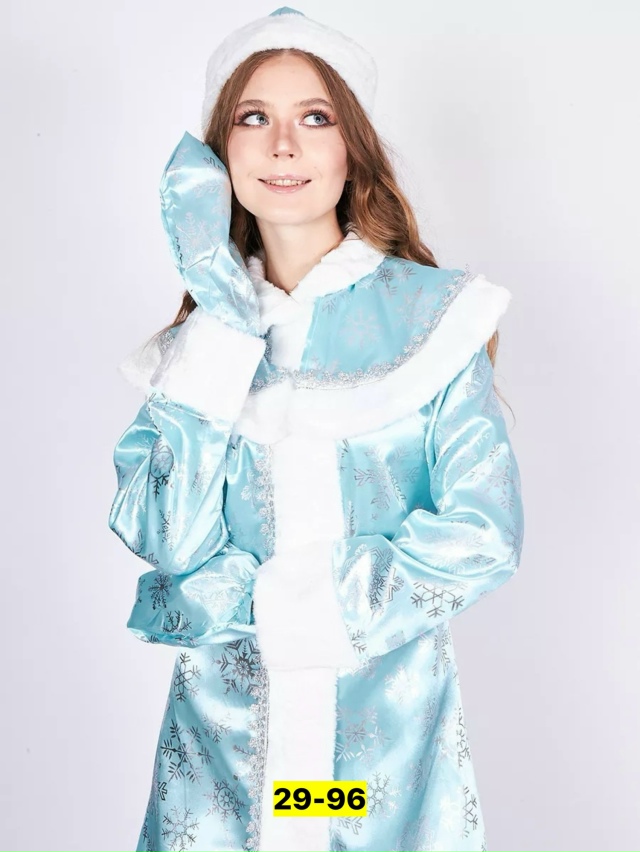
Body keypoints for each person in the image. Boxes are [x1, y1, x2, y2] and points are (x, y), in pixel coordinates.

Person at [108, 7, 525, 852]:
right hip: (219, 757)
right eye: (253, 118)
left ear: (351, 148)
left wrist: (290, 607)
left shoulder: (433, 320)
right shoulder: (197, 351)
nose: (282, 146)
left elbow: (484, 535)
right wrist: (223, 324)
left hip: (375, 758)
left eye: (314, 118)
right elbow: (169, 538)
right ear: (221, 154)